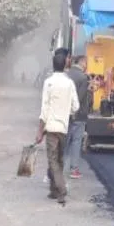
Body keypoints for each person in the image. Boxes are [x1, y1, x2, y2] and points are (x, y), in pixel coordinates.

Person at [36, 48, 79, 205]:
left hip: (51, 128)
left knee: (52, 160)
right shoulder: (69, 83)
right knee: (59, 159)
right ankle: (54, 191)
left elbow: (44, 109)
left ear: (53, 65)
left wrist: (40, 131)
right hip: (64, 127)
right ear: (65, 65)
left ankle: (61, 188)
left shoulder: (49, 83)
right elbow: (75, 106)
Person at [64, 55, 91, 180]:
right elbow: (79, 98)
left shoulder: (67, 75)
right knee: (76, 141)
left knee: (65, 140)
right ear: (83, 63)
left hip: (64, 113)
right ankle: (74, 169)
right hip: (78, 115)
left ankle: (58, 166)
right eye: (86, 62)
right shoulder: (83, 77)